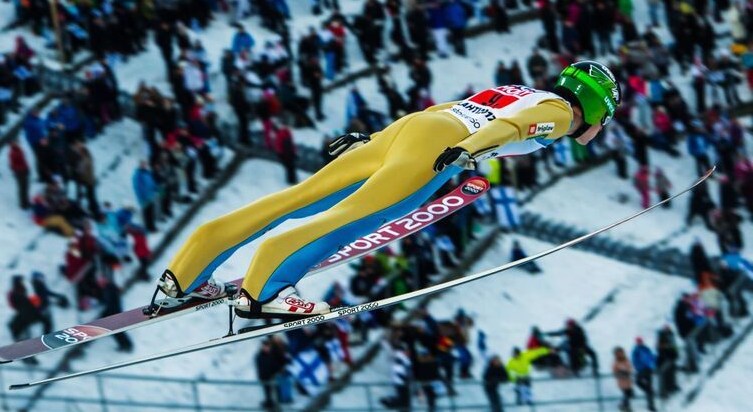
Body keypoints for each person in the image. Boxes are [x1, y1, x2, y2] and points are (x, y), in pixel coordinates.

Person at [149, 61, 620, 318]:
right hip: (439, 146)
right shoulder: (559, 116)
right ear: (596, 109)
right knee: (354, 217)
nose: (600, 130)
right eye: (606, 120)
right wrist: (469, 151)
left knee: (294, 199)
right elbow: (516, 129)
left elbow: (449, 106)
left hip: (415, 128)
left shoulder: (521, 87)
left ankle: (183, 274)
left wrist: (375, 140)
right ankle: (264, 289)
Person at [632, 337, 657, 411]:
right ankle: (650, 395)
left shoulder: (644, 349)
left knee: (646, 385)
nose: (639, 342)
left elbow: (651, 357)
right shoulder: (637, 350)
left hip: (647, 369)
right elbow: (635, 361)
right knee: (640, 383)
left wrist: (652, 365)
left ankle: (651, 404)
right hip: (643, 370)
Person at [8, 141, 31, 209]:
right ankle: (23, 203)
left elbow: (24, 160)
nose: (17, 144)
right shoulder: (12, 153)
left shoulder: (19, 150)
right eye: (15, 143)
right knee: (22, 187)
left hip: (24, 170)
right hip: (19, 172)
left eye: (17, 143)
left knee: (26, 187)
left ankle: (26, 201)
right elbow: (12, 165)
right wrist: (19, 169)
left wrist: (27, 168)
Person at [612, 346, 634, 411]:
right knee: (626, 394)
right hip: (622, 382)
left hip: (628, 381)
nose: (620, 354)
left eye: (621, 353)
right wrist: (620, 373)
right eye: (618, 353)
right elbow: (614, 371)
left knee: (629, 393)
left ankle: (624, 405)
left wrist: (627, 372)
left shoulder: (626, 360)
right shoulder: (616, 362)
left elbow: (630, 367)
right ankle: (626, 406)